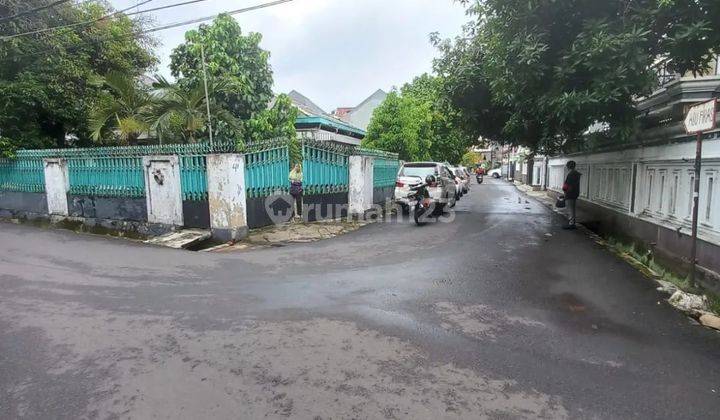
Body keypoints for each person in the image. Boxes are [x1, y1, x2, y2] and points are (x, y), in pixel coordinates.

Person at [562, 160, 581, 229]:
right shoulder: (576, 174)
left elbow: (567, 184)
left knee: (570, 209)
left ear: (568, 166)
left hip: (570, 193)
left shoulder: (571, 174)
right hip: (575, 193)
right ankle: (572, 223)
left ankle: (571, 224)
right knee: (572, 208)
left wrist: (564, 190)